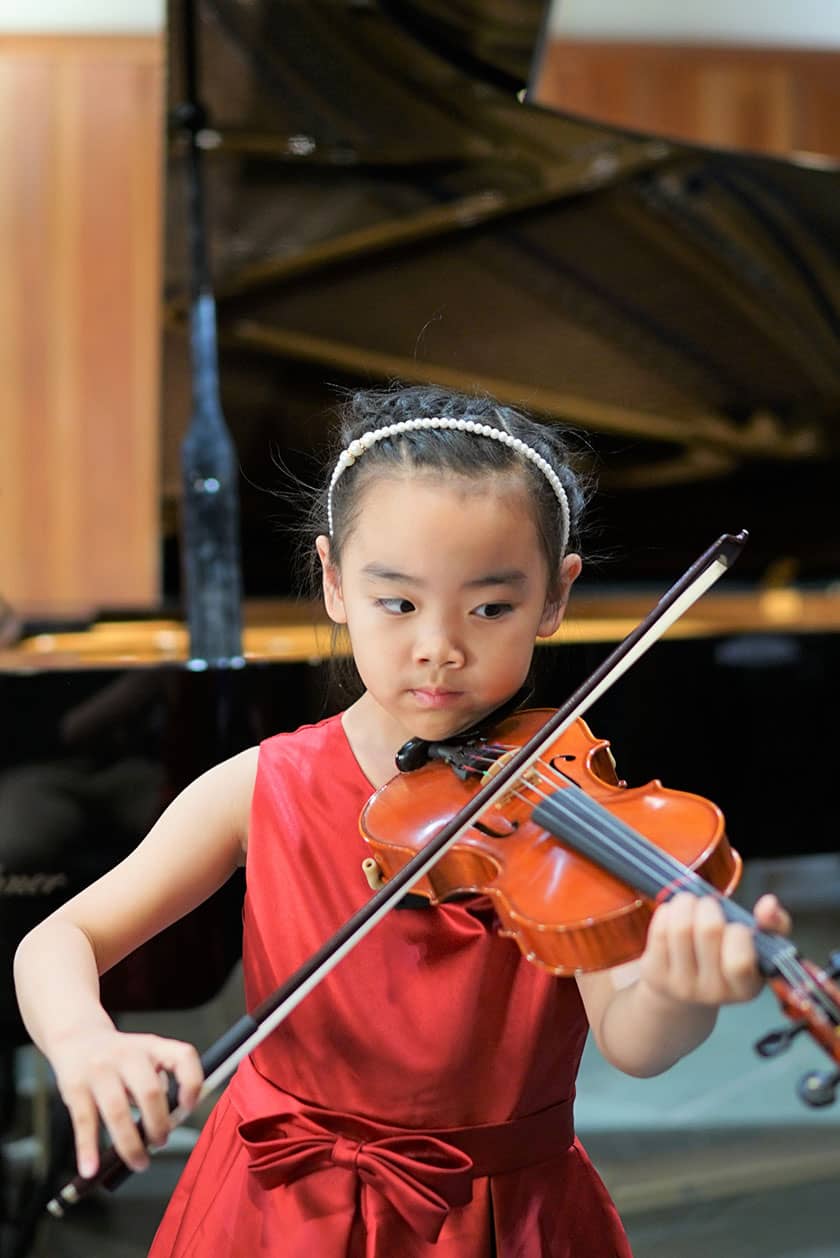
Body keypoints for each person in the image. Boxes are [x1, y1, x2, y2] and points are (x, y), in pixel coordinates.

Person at [13, 385, 789, 1257]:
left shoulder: (572, 810)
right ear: (335, 584)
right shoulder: (261, 787)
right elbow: (57, 939)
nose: (440, 646)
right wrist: (84, 1042)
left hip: (500, 1219)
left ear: (555, 598)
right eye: (398, 602)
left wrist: (679, 995)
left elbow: (634, 1041)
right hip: (277, 1213)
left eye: (490, 608)